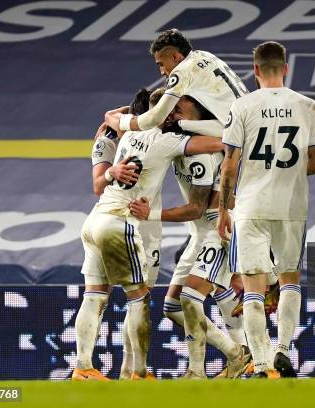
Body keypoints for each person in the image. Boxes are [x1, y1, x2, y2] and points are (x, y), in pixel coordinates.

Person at [73, 88, 223, 381]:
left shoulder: (127, 132)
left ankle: (83, 367)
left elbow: (112, 118)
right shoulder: (166, 139)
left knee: (93, 296)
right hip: (121, 222)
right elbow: (220, 141)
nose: (174, 118)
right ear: (162, 115)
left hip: (93, 220)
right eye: (171, 113)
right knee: (138, 298)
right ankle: (139, 372)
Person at [218, 41, 315, 378]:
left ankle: (262, 365)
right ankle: (282, 349)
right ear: (286, 68)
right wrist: (286, 171)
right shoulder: (307, 105)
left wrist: (223, 209)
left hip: (251, 205)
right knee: (290, 278)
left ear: (256, 69)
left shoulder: (242, 106)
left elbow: (229, 166)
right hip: (292, 205)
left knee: (253, 287)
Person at [129, 95, 251, 379]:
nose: (168, 117)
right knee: (172, 307)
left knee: (191, 298)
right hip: (199, 235)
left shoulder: (202, 153)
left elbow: (197, 207)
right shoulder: (179, 144)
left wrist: (152, 215)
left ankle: (198, 371)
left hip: (219, 230)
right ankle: (237, 353)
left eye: (175, 111)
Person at [104, 28, 247, 136]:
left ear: (176, 57)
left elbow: (155, 118)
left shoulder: (182, 71)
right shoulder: (205, 55)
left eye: (161, 64)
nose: (162, 71)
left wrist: (122, 122)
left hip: (238, 132)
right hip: (252, 120)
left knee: (173, 126)